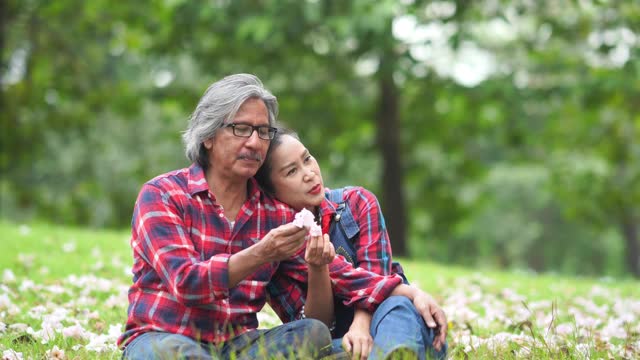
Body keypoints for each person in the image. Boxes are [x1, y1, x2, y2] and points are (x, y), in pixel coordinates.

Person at [117, 74, 407, 359]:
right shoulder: (163, 194)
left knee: (312, 333)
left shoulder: (276, 213)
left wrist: (408, 292)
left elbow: (342, 275)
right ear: (208, 136)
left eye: (264, 131)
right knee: (171, 353)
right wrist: (261, 253)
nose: (255, 143)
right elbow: (186, 283)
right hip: (166, 337)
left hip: (240, 347)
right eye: (241, 129)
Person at [255, 128, 448, 360]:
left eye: (307, 159)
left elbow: (375, 276)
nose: (309, 174)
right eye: (291, 171)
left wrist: (361, 326)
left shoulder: (357, 203)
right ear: (270, 191)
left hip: (391, 323)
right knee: (321, 352)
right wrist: (318, 269)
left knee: (398, 306)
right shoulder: (278, 244)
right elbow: (316, 327)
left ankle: (392, 351)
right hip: (339, 342)